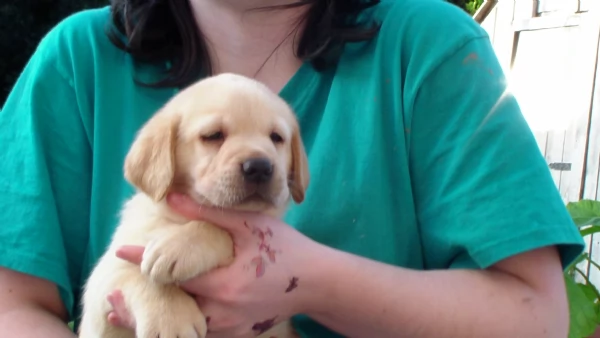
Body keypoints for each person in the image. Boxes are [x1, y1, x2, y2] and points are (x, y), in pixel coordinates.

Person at [0, 0, 585, 337]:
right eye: (213, 136)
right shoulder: (77, 61)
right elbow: (11, 308)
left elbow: (536, 318)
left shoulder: (429, 47)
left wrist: (314, 281)